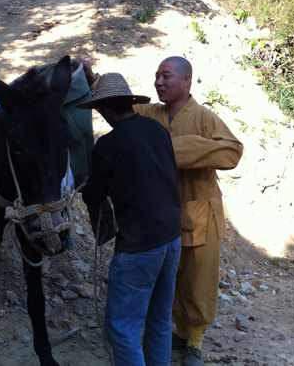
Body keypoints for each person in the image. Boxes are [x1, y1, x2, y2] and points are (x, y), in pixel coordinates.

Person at [81, 57, 243, 366]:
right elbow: (119, 106)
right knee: (162, 301)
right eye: (156, 76)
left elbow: (232, 151)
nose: (159, 82)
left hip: (195, 210)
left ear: (187, 80)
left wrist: (174, 150)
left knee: (197, 280)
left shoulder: (204, 118)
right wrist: (93, 80)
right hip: (166, 217)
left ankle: (193, 341)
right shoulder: (151, 116)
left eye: (166, 76)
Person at [78, 72, 182, 366]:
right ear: (128, 102)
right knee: (159, 320)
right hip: (172, 237)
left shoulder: (108, 145)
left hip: (139, 246)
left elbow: (94, 195)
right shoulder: (157, 130)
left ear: (105, 108)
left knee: (122, 328)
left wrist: (87, 188)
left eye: (99, 109)